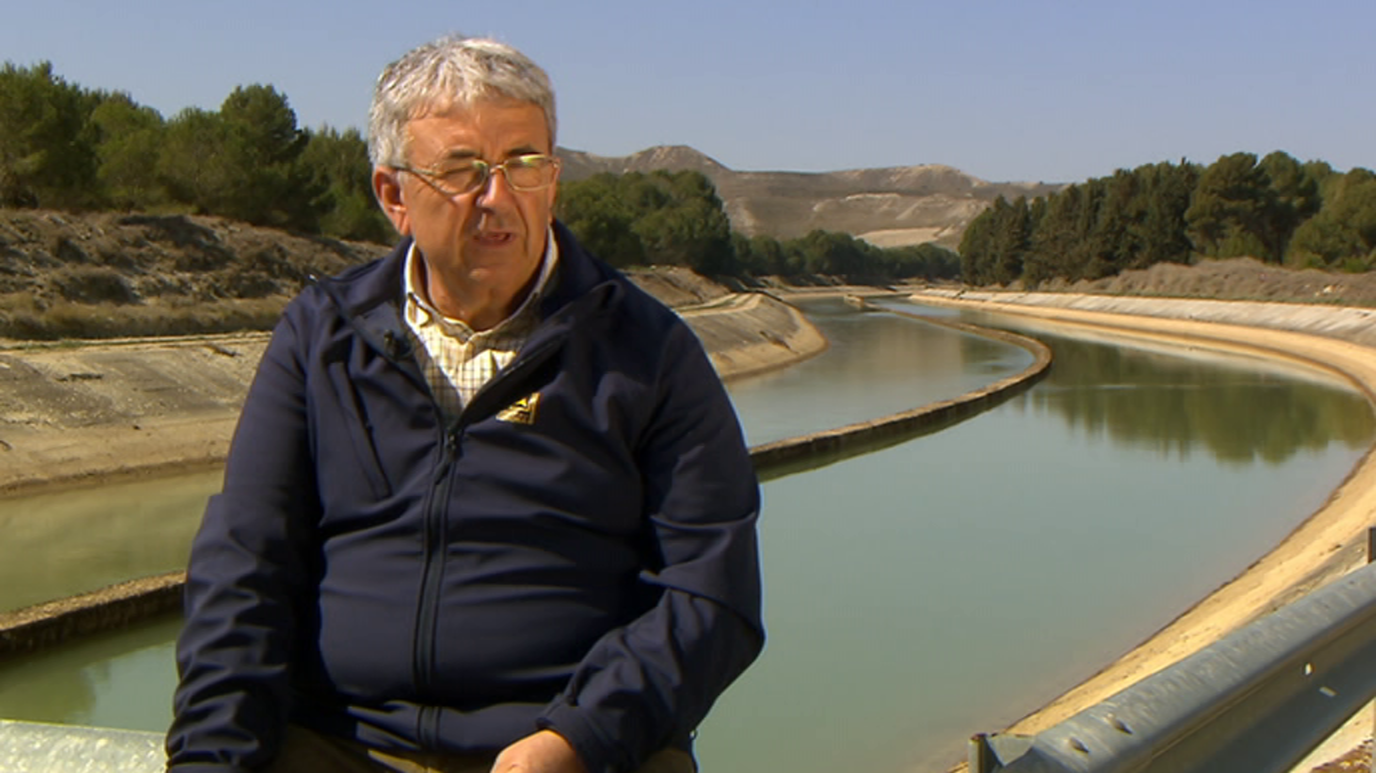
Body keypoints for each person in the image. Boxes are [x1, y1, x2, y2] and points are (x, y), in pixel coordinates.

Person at [166, 35, 763, 773]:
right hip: (341, 743)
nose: (498, 199)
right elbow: (243, 570)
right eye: (462, 171)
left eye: (523, 164)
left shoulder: (649, 351)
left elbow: (713, 595)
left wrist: (582, 736)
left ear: (553, 180)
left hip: (573, 751)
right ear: (394, 196)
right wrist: (210, 759)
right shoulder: (322, 335)